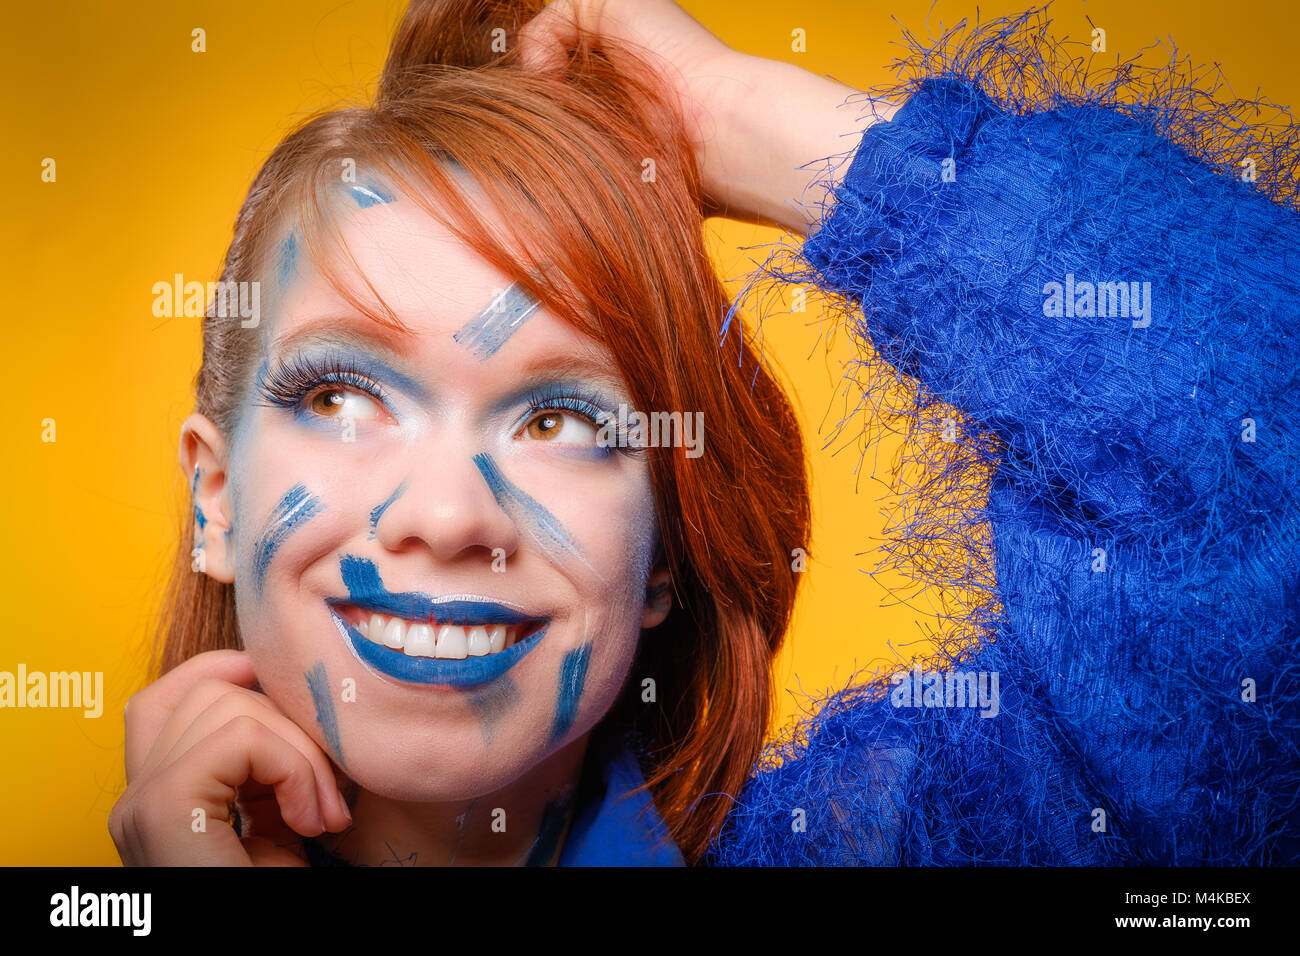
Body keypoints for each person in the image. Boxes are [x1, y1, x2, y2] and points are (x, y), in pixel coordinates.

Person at [109, 0, 1299, 866]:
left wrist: (739, 116)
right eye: (340, 398)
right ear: (215, 498)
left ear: (663, 553)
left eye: (560, 415)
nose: (444, 513)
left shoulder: (892, 842)